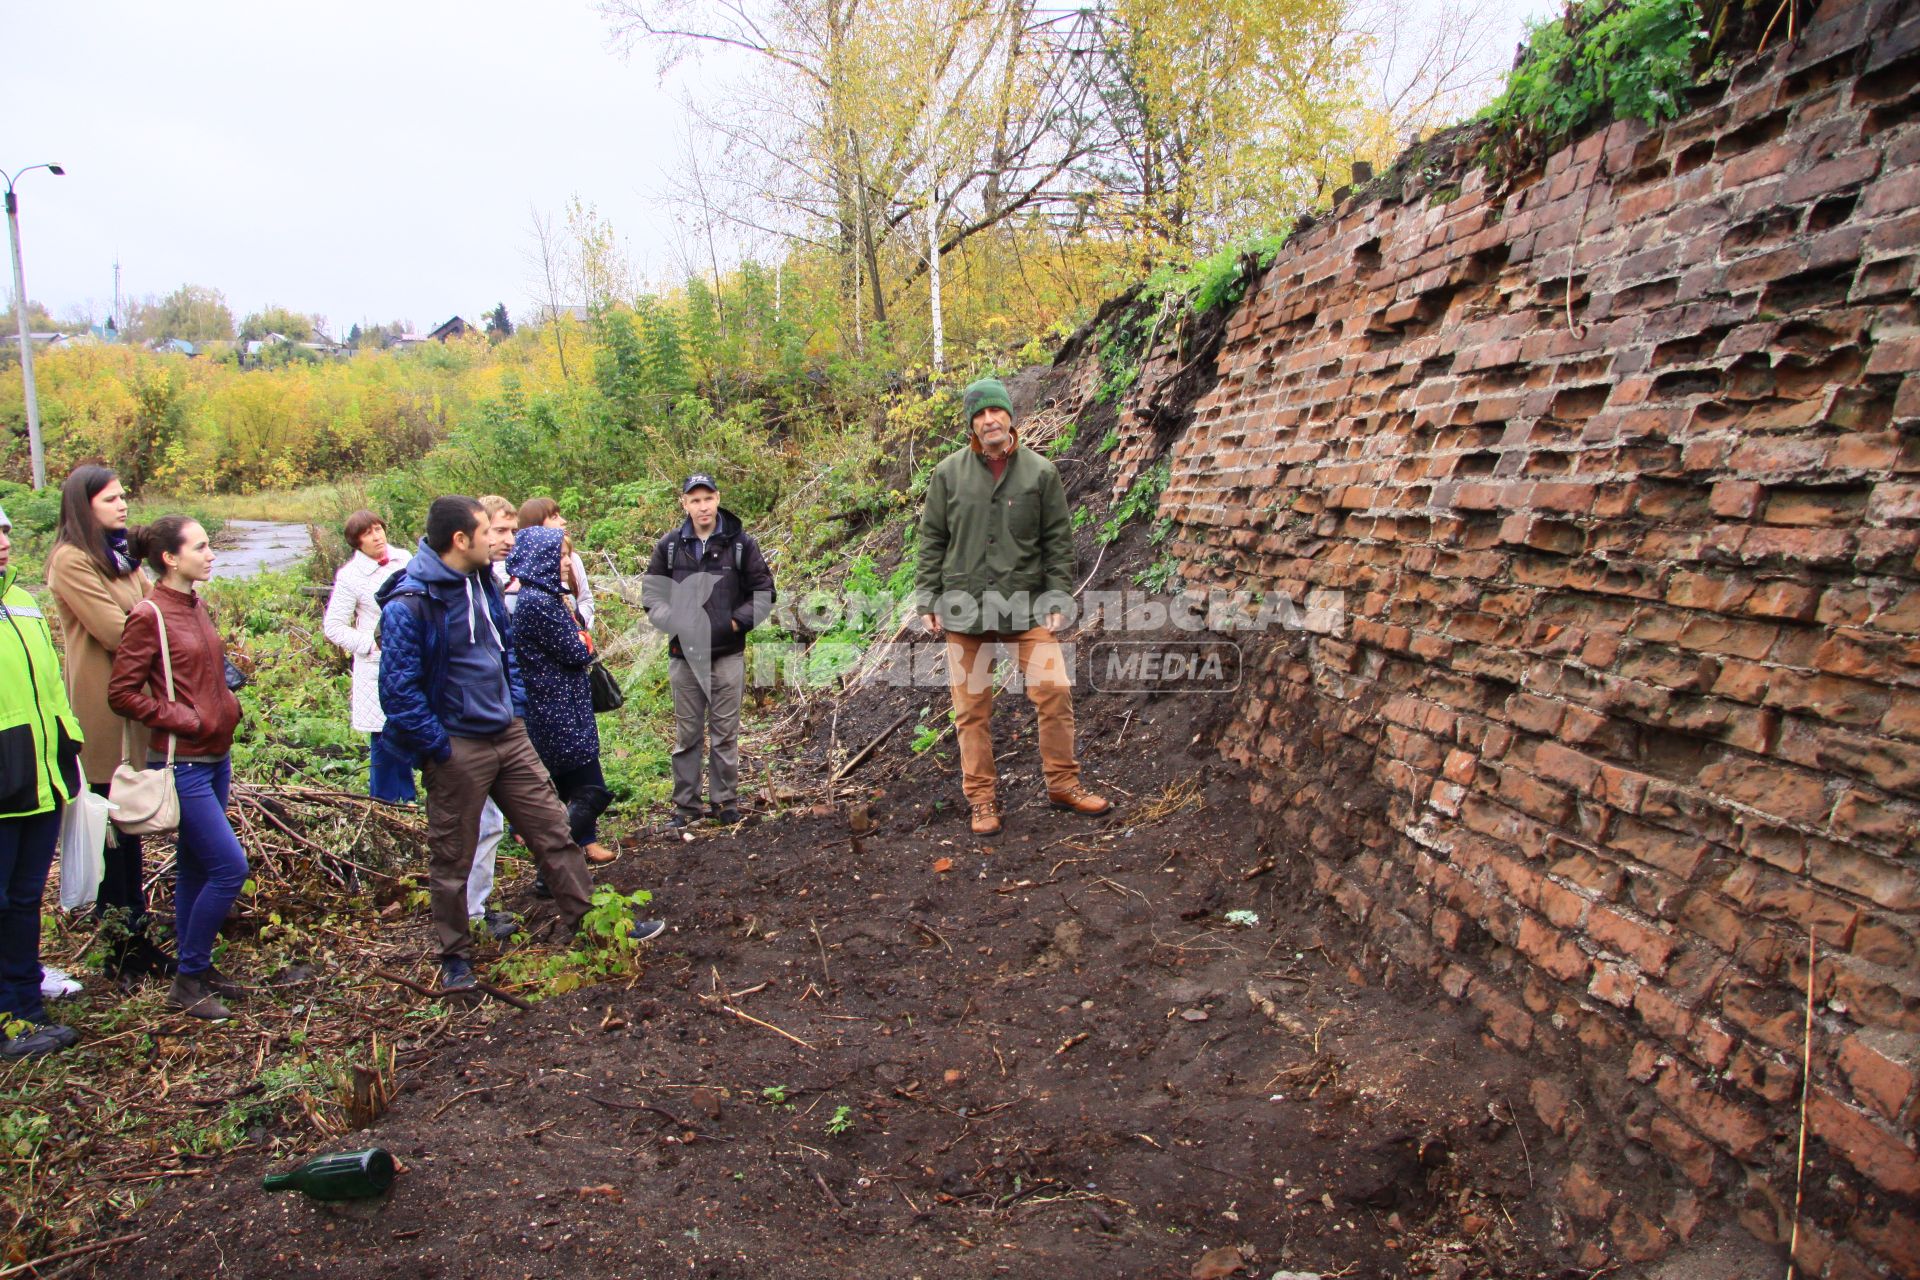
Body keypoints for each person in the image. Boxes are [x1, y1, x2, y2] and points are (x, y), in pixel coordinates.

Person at [377, 497, 663, 992]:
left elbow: (503, 651)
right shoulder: (412, 602)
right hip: (457, 744)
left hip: (507, 733)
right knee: (452, 854)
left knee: (554, 829)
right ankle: (455, 957)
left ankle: (590, 926)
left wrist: (515, 709)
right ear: (461, 540)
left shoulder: (484, 582)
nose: (499, 539)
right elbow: (397, 690)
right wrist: (439, 746)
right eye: (488, 531)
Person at [914, 378, 1111, 836]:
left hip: (1025, 607)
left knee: (1055, 690)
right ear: (971, 424)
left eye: (995, 412)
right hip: (964, 608)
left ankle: (1063, 784)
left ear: (1010, 416)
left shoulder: (1040, 474)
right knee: (971, 708)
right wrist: (927, 596)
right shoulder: (948, 474)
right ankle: (982, 801)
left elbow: (1058, 543)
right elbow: (932, 542)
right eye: (980, 415)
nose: (989, 421)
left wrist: (1059, 594)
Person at [107, 516, 249, 1021]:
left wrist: (223, 709)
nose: (211, 554)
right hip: (180, 762)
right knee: (230, 868)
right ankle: (187, 981)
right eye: (202, 546)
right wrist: (184, 717)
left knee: (195, 867)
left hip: (216, 757)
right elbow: (121, 693)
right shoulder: (149, 614)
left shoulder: (195, 604)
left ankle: (198, 968)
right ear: (170, 557)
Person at [44, 464, 174, 980]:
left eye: (123, 497)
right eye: (110, 500)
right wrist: (163, 634)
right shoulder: (71, 561)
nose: (122, 506)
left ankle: (137, 936)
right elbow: (121, 633)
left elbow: (151, 613)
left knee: (131, 824)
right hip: (100, 712)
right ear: (84, 506)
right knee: (108, 829)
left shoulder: (120, 558)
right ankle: (121, 946)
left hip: (134, 708)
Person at [0, 503, 86, 1058]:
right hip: (5, 783)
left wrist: (68, 740)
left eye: (4, 532)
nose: (3, 543)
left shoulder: (23, 604)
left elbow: (51, 685)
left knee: (25, 898)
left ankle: (24, 1006)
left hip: (40, 779)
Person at [642, 474, 776, 829]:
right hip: (684, 656)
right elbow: (652, 597)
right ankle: (686, 807)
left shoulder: (741, 544)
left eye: (707, 498)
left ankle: (725, 803)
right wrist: (678, 622)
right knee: (687, 735)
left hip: (727, 653)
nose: (702, 506)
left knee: (725, 732)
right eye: (694, 500)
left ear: (718, 499)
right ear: (684, 503)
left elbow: (763, 593)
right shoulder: (669, 546)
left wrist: (733, 624)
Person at [505, 526, 615, 865]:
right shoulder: (538, 603)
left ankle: (568, 852)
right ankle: (553, 864)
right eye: (561, 555)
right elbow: (578, 650)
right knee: (589, 787)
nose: (568, 562)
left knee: (574, 782)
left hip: (563, 704)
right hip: (556, 708)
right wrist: (583, 639)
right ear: (542, 559)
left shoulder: (548, 597)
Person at [322, 510, 414, 804]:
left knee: (408, 726)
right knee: (383, 734)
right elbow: (334, 626)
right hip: (377, 665)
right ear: (356, 542)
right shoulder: (351, 576)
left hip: (410, 659)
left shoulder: (404, 560)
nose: (377, 537)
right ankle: (385, 802)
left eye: (379, 529)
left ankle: (408, 799)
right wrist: (372, 645)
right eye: (368, 533)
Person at [516, 497, 594, 631]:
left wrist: (578, 626)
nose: (563, 521)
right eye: (554, 517)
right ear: (535, 527)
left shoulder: (572, 559)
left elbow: (585, 599)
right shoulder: (519, 571)